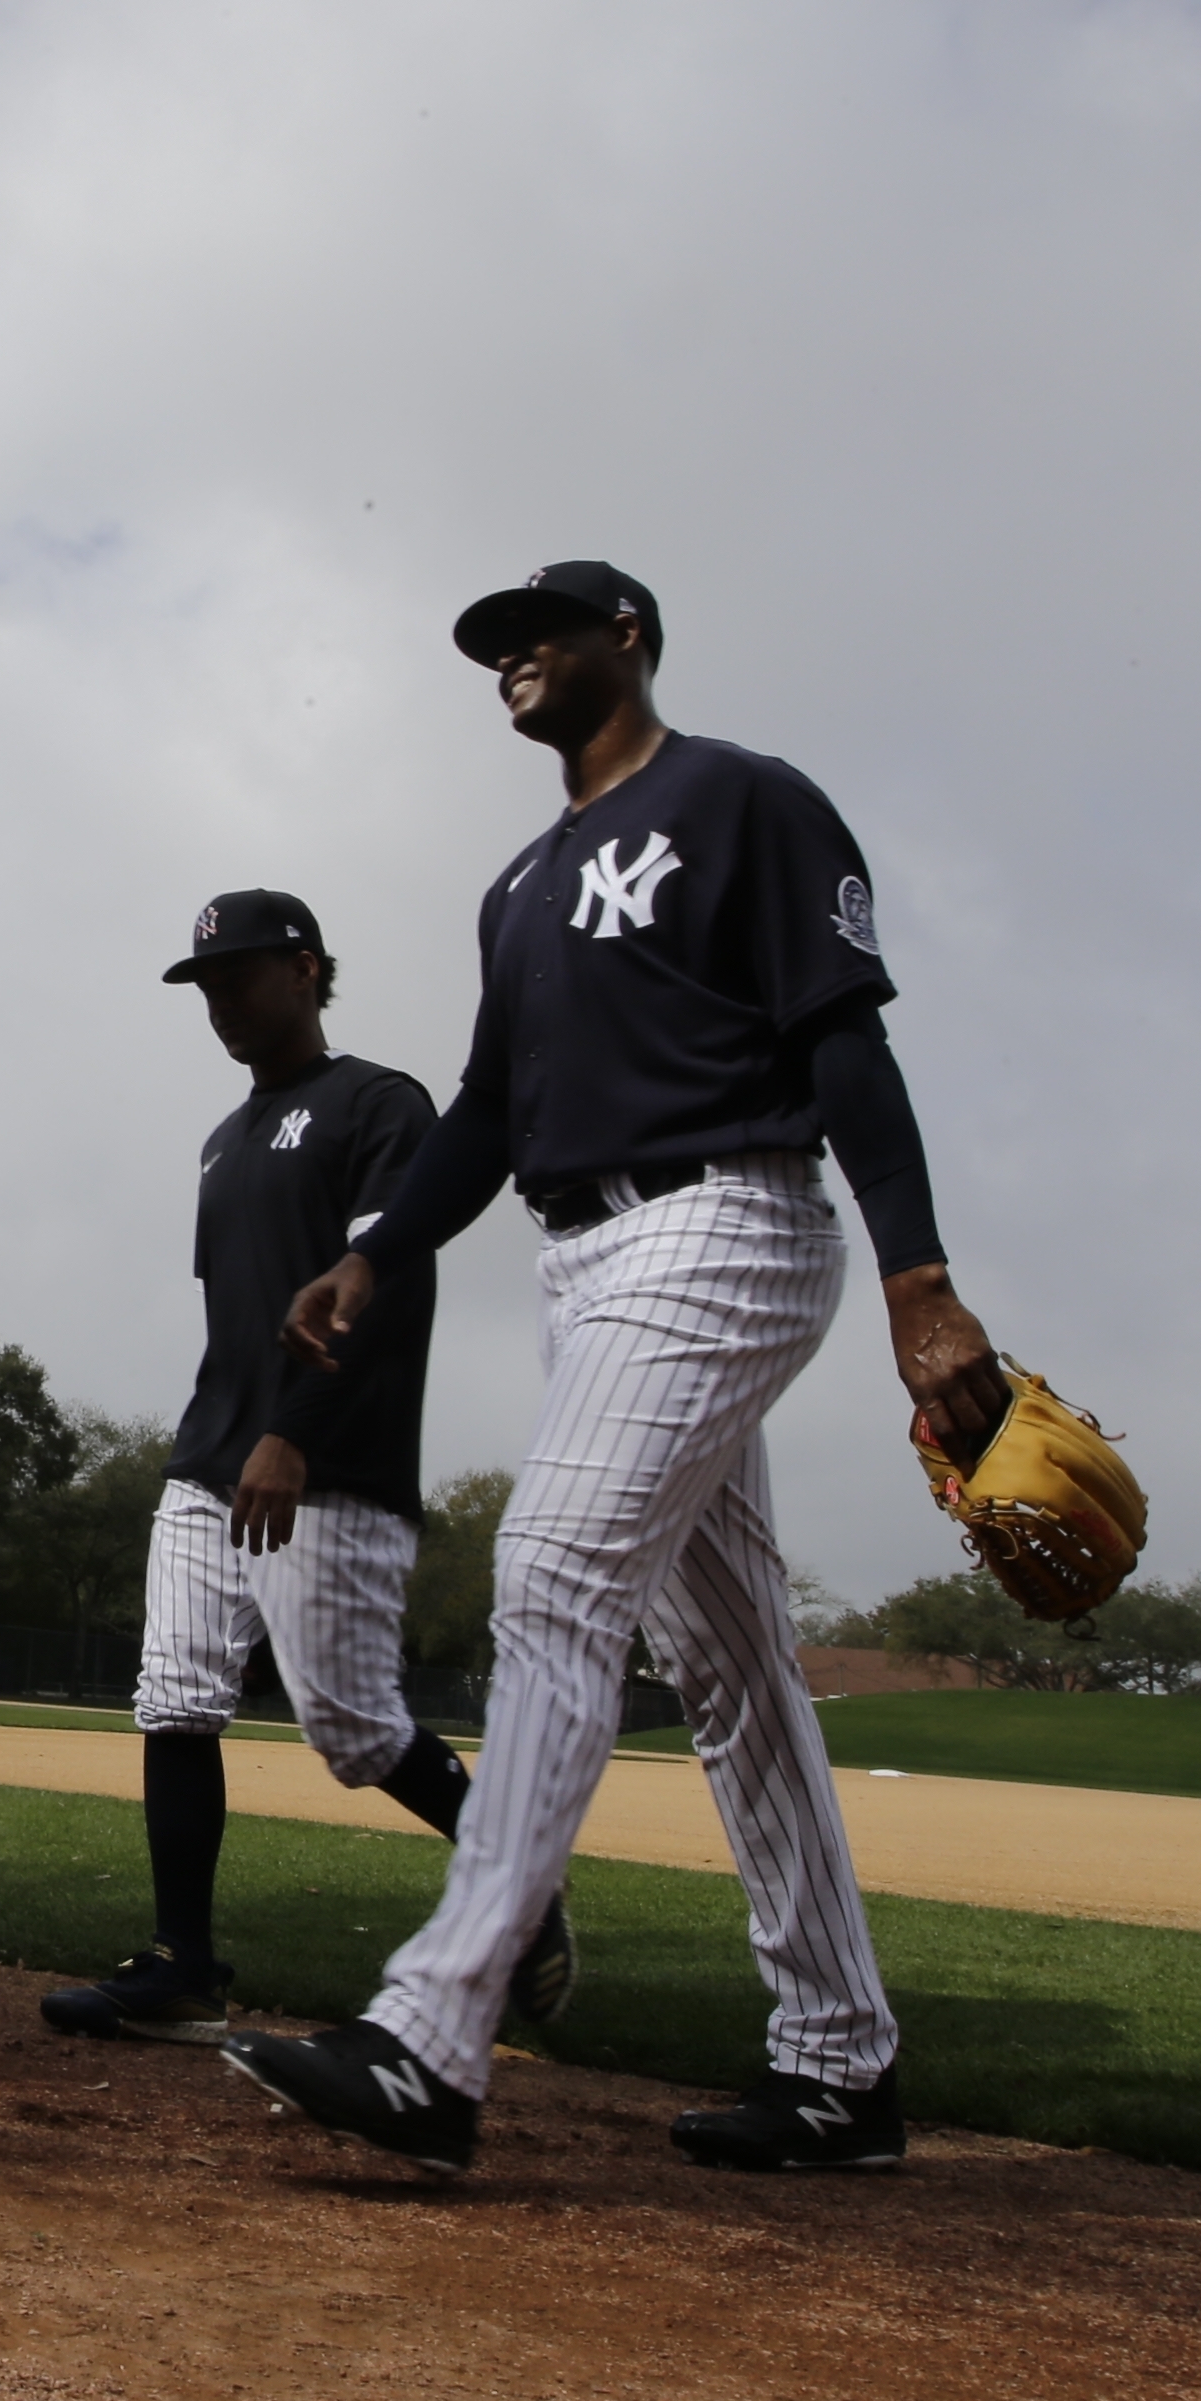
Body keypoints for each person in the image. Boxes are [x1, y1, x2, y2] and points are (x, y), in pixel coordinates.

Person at [246, 561, 1012, 2182]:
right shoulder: (515, 884)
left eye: (540, 628)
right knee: (729, 1665)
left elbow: (843, 1043)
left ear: (628, 638)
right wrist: (374, 1249)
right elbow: (478, 1117)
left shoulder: (740, 801)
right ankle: (837, 2065)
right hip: (580, 1260)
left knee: (548, 1571)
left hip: (723, 1219)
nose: (509, 655)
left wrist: (918, 1282)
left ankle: (432, 2034)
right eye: (489, 645)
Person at [39, 890, 573, 2050]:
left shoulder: (380, 1104)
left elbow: (392, 1286)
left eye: (241, 974)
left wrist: (297, 1430)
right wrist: (231, 1434)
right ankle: (182, 1966)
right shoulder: (223, 1140)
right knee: (176, 1701)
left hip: (328, 1466)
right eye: (206, 984)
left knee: (352, 1729)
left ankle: (523, 1888)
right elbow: (235, 1311)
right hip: (210, 1462)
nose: (222, 1001)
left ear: (308, 969)